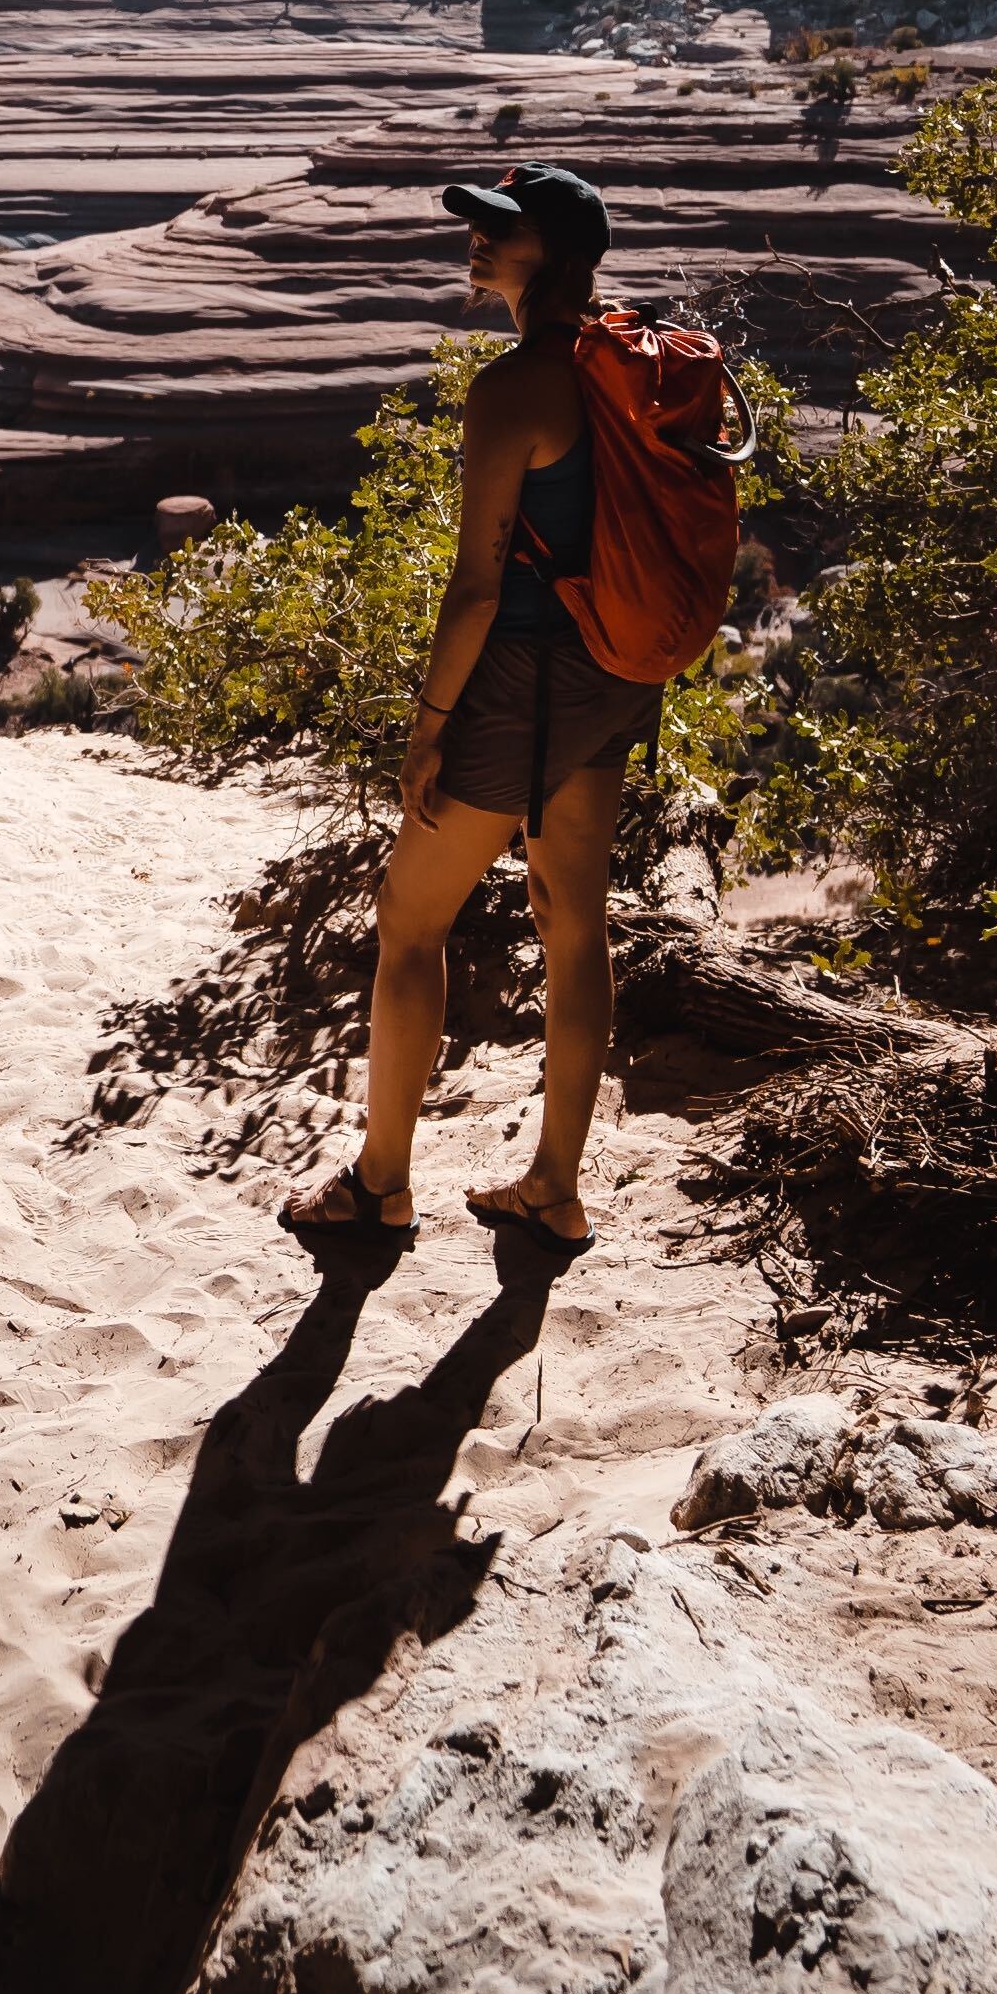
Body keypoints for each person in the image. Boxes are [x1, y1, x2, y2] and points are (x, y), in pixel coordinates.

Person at [278, 160, 660, 1257]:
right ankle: (554, 1188)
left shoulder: (515, 386)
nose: (478, 244)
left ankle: (381, 1183)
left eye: (501, 231)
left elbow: (477, 588)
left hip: (528, 682)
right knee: (573, 923)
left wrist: (429, 725)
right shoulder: (627, 361)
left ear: (555, 255)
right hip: (617, 672)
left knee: (410, 921)